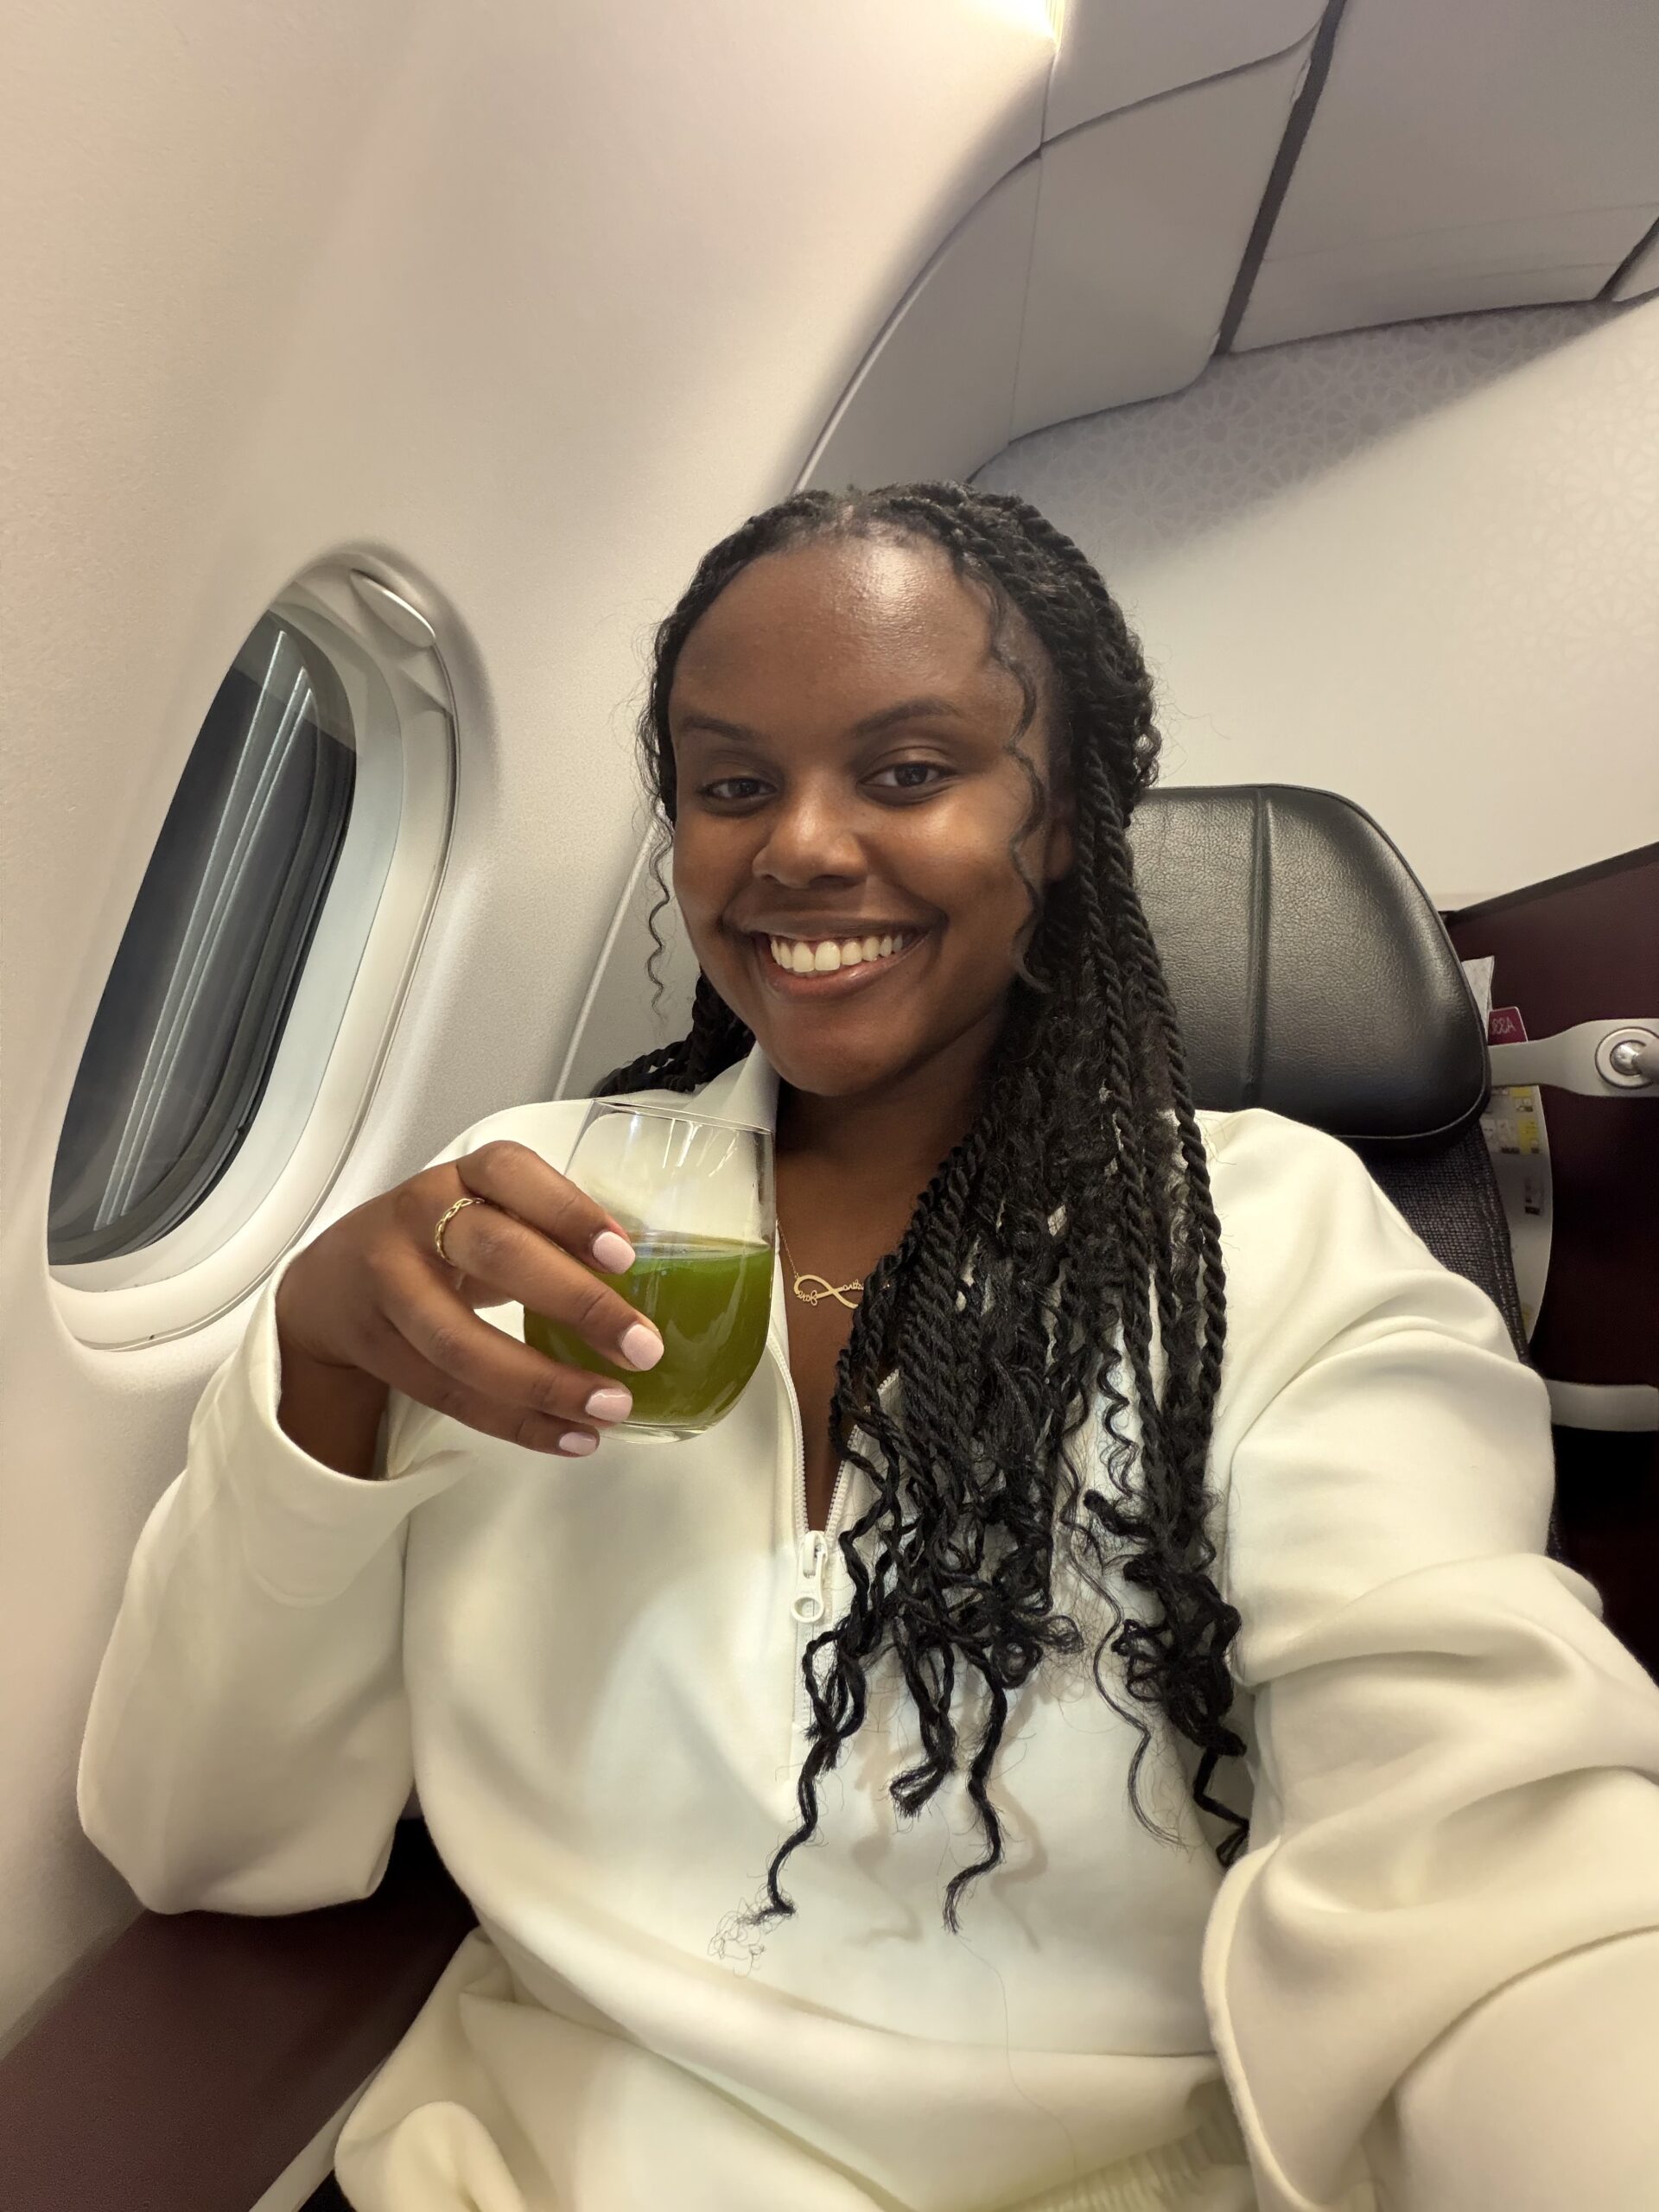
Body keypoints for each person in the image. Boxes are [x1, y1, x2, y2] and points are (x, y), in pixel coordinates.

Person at [79, 484, 1659, 2212]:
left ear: (1060, 821)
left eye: (908, 771)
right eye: (730, 783)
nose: (800, 846)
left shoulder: (1272, 1246)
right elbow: (200, 1839)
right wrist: (317, 1373)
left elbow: (1482, 1848)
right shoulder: (528, 1213)